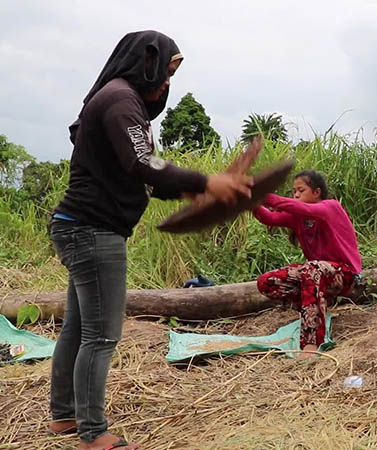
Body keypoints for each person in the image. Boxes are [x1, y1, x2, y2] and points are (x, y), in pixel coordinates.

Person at [47, 31, 253, 450]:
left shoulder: (117, 101)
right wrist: (207, 181)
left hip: (78, 225)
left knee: (78, 328)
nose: (167, 85)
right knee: (100, 336)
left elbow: (145, 174)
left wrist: (198, 190)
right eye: (167, 72)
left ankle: (64, 416)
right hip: (93, 230)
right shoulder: (121, 100)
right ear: (147, 60)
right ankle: (92, 434)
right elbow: (145, 163)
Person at [253, 170, 361, 358]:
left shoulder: (330, 207)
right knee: (267, 281)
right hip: (317, 274)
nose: (295, 195)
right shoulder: (299, 218)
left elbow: (303, 208)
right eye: (294, 191)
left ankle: (311, 344)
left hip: (344, 274)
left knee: (311, 269)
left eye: (300, 190)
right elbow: (268, 218)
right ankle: (314, 308)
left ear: (316, 192)